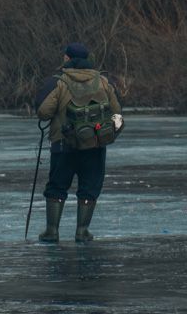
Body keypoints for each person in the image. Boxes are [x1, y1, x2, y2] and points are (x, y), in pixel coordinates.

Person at [34, 42, 123, 243]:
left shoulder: (58, 81)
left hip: (63, 144)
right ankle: (82, 231)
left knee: (57, 187)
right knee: (89, 188)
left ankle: (52, 231)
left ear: (67, 59)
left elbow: (43, 112)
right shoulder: (103, 81)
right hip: (95, 144)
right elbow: (117, 111)